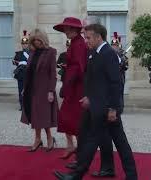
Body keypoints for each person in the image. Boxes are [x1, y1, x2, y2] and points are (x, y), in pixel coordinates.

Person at [54, 23, 138, 180]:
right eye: (85, 37)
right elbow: (92, 80)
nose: (86, 40)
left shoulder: (109, 54)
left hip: (106, 108)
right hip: (95, 105)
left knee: (110, 142)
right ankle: (86, 172)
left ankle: (78, 175)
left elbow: (116, 83)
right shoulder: (93, 53)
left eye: (89, 37)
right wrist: (88, 96)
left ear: (99, 37)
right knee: (90, 138)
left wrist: (113, 108)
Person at [64, 16, 116, 178]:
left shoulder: (104, 51)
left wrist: (112, 107)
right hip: (91, 98)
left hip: (101, 102)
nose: (83, 32)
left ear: (96, 31)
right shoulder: (91, 49)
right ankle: (81, 166)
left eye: (86, 29)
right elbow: (89, 76)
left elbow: (113, 82)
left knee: (101, 136)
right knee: (88, 132)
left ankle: (92, 168)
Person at [53, 17, 87, 159]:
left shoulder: (79, 44)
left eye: (68, 29)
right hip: (72, 86)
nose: (65, 32)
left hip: (76, 87)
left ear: (75, 30)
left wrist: (67, 85)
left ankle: (80, 150)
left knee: (75, 119)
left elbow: (80, 68)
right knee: (67, 117)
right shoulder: (74, 43)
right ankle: (71, 145)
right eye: (65, 29)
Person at [20, 28, 58, 152]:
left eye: (38, 40)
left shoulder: (51, 52)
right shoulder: (32, 52)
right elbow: (29, 72)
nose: (36, 42)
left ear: (43, 39)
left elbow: (53, 73)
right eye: (34, 40)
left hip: (45, 89)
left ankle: (48, 138)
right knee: (34, 115)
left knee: (43, 116)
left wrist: (51, 91)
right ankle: (38, 139)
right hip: (31, 88)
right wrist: (24, 89)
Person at [111, 32, 129, 114]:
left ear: (119, 46)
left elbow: (126, 67)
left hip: (120, 76)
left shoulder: (123, 55)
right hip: (111, 77)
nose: (114, 47)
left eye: (116, 45)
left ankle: (120, 108)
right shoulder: (109, 54)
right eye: (113, 45)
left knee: (120, 93)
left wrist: (121, 62)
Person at [13, 30, 29, 111]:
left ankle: (28, 105)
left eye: (26, 44)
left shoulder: (31, 53)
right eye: (23, 44)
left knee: (29, 90)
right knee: (20, 89)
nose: (24, 45)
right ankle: (22, 105)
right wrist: (17, 62)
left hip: (29, 74)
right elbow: (14, 62)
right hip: (21, 74)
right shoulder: (18, 53)